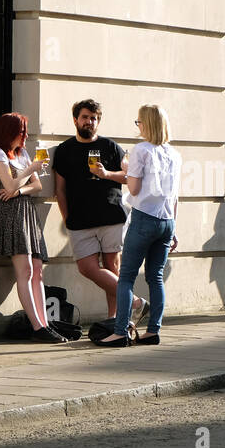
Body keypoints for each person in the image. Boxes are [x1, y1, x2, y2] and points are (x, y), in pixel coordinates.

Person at [52, 99, 145, 322]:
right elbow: (60, 190)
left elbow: (129, 176)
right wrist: (67, 218)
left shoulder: (110, 147)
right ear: (75, 120)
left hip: (111, 216)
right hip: (79, 220)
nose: (89, 122)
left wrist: (107, 174)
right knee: (87, 268)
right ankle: (136, 302)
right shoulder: (65, 150)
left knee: (113, 268)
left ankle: (116, 319)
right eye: (85, 117)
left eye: (94, 118)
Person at [96, 104, 182, 346]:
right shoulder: (175, 155)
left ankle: (120, 332)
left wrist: (126, 169)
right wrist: (174, 229)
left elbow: (133, 189)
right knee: (155, 277)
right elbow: (175, 196)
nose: (138, 126)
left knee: (126, 278)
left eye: (139, 122)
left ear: (147, 124)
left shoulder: (141, 150)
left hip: (144, 218)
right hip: (167, 221)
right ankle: (153, 330)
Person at [0, 112, 67, 343]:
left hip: (25, 210)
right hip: (11, 214)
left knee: (37, 270)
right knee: (25, 270)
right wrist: (27, 171)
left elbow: (36, 185)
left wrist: (18, 190)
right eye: (21, 131)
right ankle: (37, 327)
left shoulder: (22, 154)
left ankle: (44, 324)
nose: (25, 136)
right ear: (10, 132)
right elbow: (9, 183)